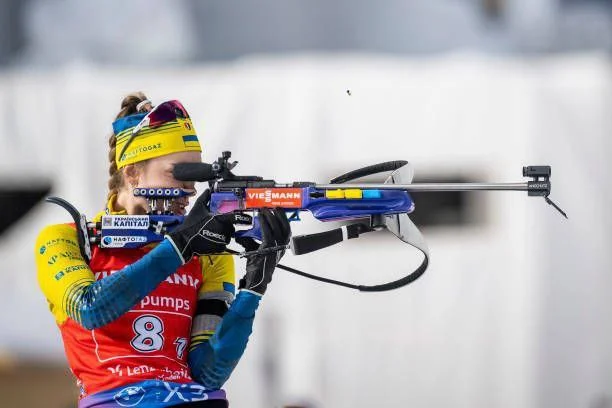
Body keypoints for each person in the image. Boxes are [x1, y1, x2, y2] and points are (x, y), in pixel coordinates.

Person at [34, 92, 291, 408]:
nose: (190, 189)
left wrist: (253, 289)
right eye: (178, 173)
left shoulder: (207, 253)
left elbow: (208, 373)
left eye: (197, 175)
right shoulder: (68, 239)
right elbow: (90, 309)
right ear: (132, 173)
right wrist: (180, 246)